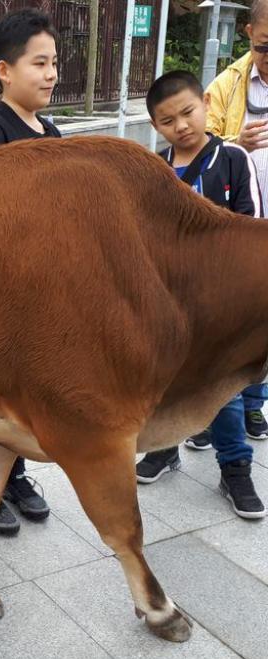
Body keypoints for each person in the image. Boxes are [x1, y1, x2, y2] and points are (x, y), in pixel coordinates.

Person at [136, 70, 265, 519]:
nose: (181, 126)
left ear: (206, 104)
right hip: (167, 305)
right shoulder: (153, 169)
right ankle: (164, 448)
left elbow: (251, 229)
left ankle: (235, 469)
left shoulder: (232, 158)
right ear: (155, 125)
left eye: (188, 112)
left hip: (219, 306)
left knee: (223, 392)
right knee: (165, 383)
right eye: (168, 120)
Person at [0, 7, 60, 535]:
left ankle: (16, 476)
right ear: (4, 71)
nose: (51, 75)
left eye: (54, 63)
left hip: (42, 295)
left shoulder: (51, 131)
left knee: (26, 395)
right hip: (1, 297)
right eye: (39, 63)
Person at [206, 0, 268, 440]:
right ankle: (216, 407)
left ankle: (253, 405)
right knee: (230, 319)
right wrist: (234, 141)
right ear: (248, 33)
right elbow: (201, 142)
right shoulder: (227, 84)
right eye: (265, 46)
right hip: (238, 225)